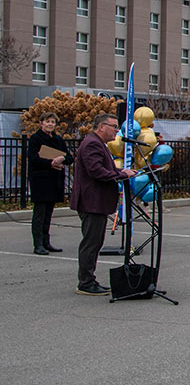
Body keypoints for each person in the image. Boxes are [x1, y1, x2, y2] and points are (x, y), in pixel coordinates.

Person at [72, 113, 137, 295]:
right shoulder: (92, 143)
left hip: (96, 202)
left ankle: (88, 279)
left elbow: (102, 168)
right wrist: (121, 175)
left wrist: (120, 170)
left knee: (95, 241)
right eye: (114, 126)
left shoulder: (98, 143)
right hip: (92, 202)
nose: (117, 130)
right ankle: (85, 282)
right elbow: (96, 171)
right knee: (91, 243)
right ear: (101, 126)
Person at [27, 112, 74, 255]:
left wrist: (62, 159)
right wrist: (51, 162)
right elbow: (33, 159)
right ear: (41, 123)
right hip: (40, 180)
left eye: (53, 122)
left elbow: (69, 158)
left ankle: (46, 242)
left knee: (49, 213)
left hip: (54, 180)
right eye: (47, 121)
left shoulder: (58, 140)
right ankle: (38, 244)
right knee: (39, 213)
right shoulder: (35, 139)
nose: (50, 124)